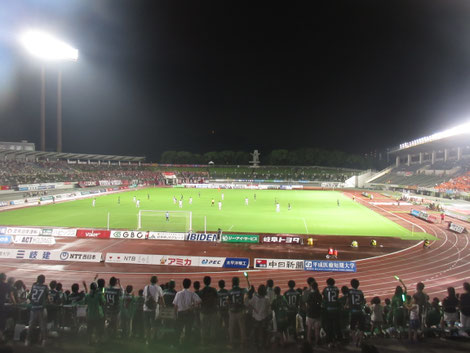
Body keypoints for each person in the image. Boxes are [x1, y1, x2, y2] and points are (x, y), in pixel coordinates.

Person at [173, 278, 201, 346]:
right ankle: (186, 344)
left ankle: (177, 344)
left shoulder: (178, 293)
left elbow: (175, 305)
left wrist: (175, 315)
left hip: (180, 313)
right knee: (188, 330)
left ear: (183, 284)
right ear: (190, 285)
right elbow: (199, 301)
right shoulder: (192, 293)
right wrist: (192, 307)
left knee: (179, 330)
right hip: (189, 313)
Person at [26, 274, 49, 347]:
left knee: (31, 325)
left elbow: (29, 296)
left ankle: (28, 340)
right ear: (43, 280)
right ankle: (44, 341)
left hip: (33, 308)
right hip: (41, 308)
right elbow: (47, 297)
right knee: (42, 326)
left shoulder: (33, 285)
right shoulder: (45, 287)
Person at [247, 284, 271, 350]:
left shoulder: (255, 297)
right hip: (264, 317)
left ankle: (257, 345)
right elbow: (268, 307)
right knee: (264, 332)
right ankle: (264, 344)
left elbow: (249, 304)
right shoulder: (267, 299)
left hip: (256, 317)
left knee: (256, 331)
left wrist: (254, 309)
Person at [143, 276, 164, 345]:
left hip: (146, 308)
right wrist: (163, 305)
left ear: (150, 280)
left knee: (147, 325)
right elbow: (161, 298)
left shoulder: (146, 287)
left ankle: (147, 339)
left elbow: (144, 296)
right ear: (157, 281)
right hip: (154, 309)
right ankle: (153, 338)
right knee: (154, 324)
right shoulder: (158, 288)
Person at [227, 277, 247, 349]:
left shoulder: (229, 291)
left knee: (231, 328)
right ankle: (243, 343)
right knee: (242, 328)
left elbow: (228, 301)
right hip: (240, 311)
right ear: (238, 282)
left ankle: (231, 343)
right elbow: (248, 290)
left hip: (232, 311)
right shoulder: (242, 290)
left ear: (232, 282)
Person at [199, 276, 218, 344]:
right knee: (212, 327)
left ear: (204, 282)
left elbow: (199, 302)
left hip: (204, 311)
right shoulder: (213, 290)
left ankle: (203, 341)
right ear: (210, 281)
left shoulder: (201, 291)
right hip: (212, 311)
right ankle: (212, 341)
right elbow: (216, 300)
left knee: (203, 327)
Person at [322, 278, 341, 348]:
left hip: (328, 310)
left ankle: (329, 341)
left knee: (329, 326)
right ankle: (338, 340)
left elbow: (324, 297)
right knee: (337, 326)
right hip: (336, 309)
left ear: (327, 283)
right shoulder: (336, 289)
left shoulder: (325, 289)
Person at [305, 281, 322, 347]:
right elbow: (320, 303)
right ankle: (317, 342)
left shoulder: (310, 294)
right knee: (317, 329)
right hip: (317, 314)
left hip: (310, 314)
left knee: (309, 328)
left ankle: (309, 342)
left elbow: (307, 304)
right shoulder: (319, 295)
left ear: (311, 287)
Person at [349, 279, 365, 347]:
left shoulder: (349, 291)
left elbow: (348, 300)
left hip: (353, 312)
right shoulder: (361, 292)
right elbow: (362, 301)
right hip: (360, 312)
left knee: (352, 328)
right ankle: (360, 342)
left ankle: (355, 341)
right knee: (361, 328)